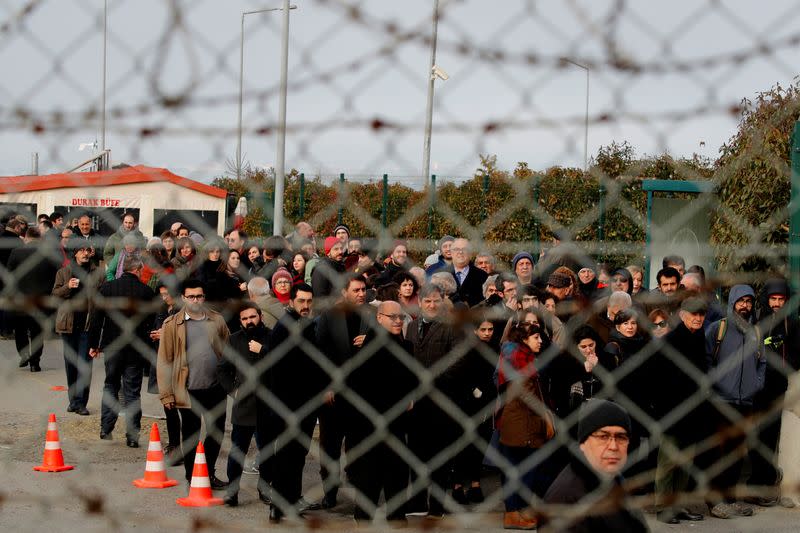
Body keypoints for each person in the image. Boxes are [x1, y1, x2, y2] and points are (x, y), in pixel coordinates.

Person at [345, 300, 417, 524]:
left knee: (397, 468)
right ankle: (364, 516)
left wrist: (411, 396)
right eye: (392, 317)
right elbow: (358, 386)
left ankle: (396, 514)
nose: (398, 321)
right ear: (379, 318)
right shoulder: (366, 348)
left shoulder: (406, 346)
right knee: (370, 471)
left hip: (397, 420)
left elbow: (411, 378)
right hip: (370, 422)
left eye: (401, 317)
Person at [157, 279, 231, 489]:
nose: (195, 300)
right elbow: (164, 361)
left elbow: (227, 350)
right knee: (191, 435)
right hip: (187, 390)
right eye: (191, 296)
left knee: (216, 432)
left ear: (204, 297)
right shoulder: (172, 325)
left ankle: (207, 472)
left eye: (199, 296)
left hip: (215, 388)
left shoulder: (216, 320)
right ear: (183, 298)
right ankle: (193, 477)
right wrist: (167, 394)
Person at [263, 283, 326, 522]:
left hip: (305, 405)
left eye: (309, 301)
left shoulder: (306, 325)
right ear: (291, 301)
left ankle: (290, 501)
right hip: (287, 406)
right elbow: (277, 372)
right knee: (287, 456)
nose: (306, 306)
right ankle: (279, 505)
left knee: (297, 455)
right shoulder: (284, 328)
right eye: (301, 301)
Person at [702, 285, 764, 519]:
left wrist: (755, 384)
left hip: (745, 403)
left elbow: (763, 363)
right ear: (733, 303)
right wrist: (716, 383)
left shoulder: (756, 332)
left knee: (738, 453)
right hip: (720, 401)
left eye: (749, 302)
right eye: (741, 301)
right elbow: (707, 360)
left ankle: (730, 499)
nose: (745, 306)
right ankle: (713, 502)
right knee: (718, 453)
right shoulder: (718, 329)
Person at [314, 274, 374, 509]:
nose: (361, 294)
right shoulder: (329, 316)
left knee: (359, 444)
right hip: (334, 395)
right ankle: (330, 493)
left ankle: (360, 488)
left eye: (364, 290)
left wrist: (369, 340)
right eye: (357, 290)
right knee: (330, 446)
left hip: (362, 393)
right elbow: (319, 353)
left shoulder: (371, 315)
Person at [544, 400, 649, 532]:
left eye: (621, 437)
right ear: (583, 443)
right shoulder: (566, 497)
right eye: (603, 437)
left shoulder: (612, 477)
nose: (613, 446)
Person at [405, 283, 463, 519]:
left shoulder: (452, 327)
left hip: (441, 399)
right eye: (427, 301)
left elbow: (458, 362)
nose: (431, 305)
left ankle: (437, 504)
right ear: (419, 302)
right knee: (416, 451)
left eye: (435, 301)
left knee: (440, 454)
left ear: (442, 301)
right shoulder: (410, 326)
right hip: (416, 403)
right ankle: (418, 500)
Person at [88, 256, 157, 448]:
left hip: (113, 345)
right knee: (132, 391)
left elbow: (96, 319)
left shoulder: (108, 289)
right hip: (135, 347)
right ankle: (132, 435)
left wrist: (94, 344)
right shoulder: (146, 292)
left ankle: (106, 427)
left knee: (110, 385)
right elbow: (151, 321)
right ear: (137, 270)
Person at [653, 297, 708, 524]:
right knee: (667, 462)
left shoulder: (699, 338)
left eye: (701, 315)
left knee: (685, 463)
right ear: (683, 315)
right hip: (673, 412)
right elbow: (661, 383)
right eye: (693, 314)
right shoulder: (671, 341)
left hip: (694, 412)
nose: (698, 319)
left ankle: (678, 506)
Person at [747, 278, 800, 506]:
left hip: (777, 387)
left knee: (770, 437)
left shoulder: (792, 323)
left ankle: (765, 483)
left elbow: (797, 357)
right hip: (755, 388)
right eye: (774, 299)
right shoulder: (758, 320)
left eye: (781, 299)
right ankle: (754, 483)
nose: (777, 303)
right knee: (754, 435)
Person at [495, 322, 552, 530]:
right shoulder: (521, 360)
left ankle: (517, 512)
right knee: (523, 470)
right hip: (521, 423)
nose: (540, 341)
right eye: (536, 337)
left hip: (517, 422)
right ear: (525, 340)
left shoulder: (522, 357)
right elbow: (526, 396)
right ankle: (513, 514)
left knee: (519, 469)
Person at [217, 302, 271, 506]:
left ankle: (264, 489)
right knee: (237, 451)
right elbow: (222, 370)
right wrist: (234, 390)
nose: (249, 321)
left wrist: (263, 350)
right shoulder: (234, 340)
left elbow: (281, 365)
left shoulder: (272, 337)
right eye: (245, 319)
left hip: (268, 406)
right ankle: (232, 491)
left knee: (267, 452)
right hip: (244, 406)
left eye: (253, 317)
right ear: (240, 321)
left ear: (260, 316)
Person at [52, 238, 103, 415]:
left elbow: (102, 297)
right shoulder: (64, 272)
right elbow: (55, 294)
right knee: (71, 365)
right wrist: (67, 286)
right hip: (68, 324)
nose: (85, 253)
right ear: (75, 253)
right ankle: (73, 400)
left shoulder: (98, 272)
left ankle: (81, 402)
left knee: (84, 366)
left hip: (87, 326)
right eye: (81, 250)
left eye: (88, 250)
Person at [8, 227, 60, 371]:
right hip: (41, 298)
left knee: (20, 329)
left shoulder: (16, 252)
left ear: (26, 237)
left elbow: (10, 275)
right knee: (37, 331)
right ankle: (35, 363)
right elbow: (55, 275)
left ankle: (24, 354)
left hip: (21, 298)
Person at [446, 237, 488, 307]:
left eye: (464, 249)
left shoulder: (482, 276)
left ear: (470, 253)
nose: (460, 252)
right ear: (451, 253)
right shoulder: (440, 274)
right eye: (456, 249)